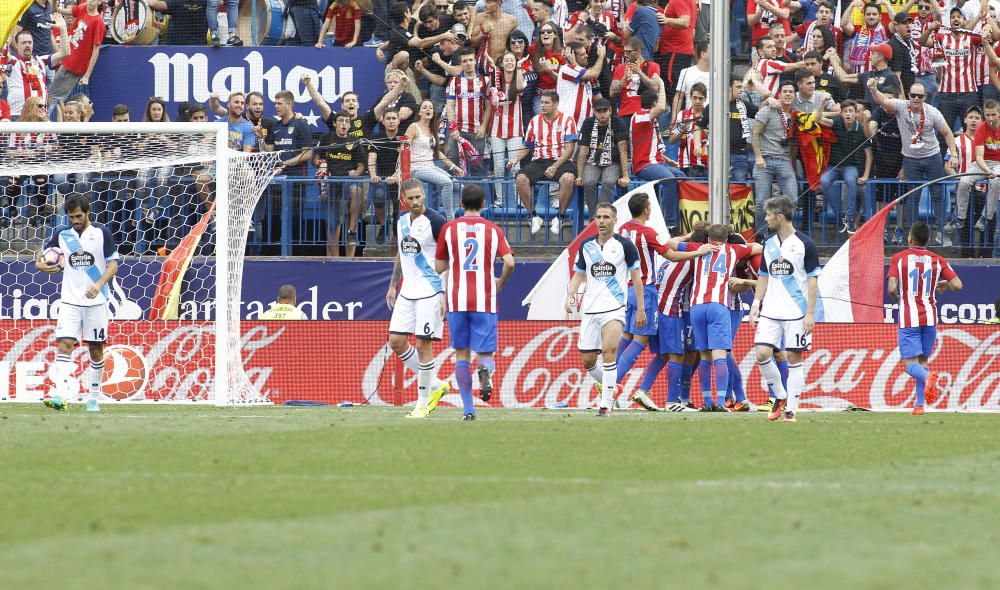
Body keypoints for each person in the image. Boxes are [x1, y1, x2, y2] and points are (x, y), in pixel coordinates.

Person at [613, 192, 716, 410]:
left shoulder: (622, 229)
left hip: (628, 289)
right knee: (657, 347)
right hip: (657, 300)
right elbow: (670, 252)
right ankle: (616, 386)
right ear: (646, 210)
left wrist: (688, 238)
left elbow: (670, 243)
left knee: (633, 339)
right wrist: (699, 251)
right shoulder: (689, 254)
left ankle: (621, 384)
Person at [435, 185, 516, 420]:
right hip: (485, 299)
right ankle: (484, 372)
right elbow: (510, 262)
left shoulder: (449, 229)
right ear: (483, 204)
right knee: (485, 353)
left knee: (461, 354)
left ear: (461, 204)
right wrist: (500, 281)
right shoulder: (493, 230)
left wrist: (453, 261)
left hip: (457, 300)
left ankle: (468, 410)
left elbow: (439, 266)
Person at [37, 194, 119, 413]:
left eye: (79, 216)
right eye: (71, 217)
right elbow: (44, 257)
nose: (75, 220)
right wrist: (42, 266)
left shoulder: (102, 233)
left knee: (95, 349)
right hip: (70, 301)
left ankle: (93, 397)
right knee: (65, 344)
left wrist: (99, 283)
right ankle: (61, 395)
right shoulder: (62, 235)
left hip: (97, 301)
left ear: (88, 212)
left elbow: (113, 264)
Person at [565, 201, 643, 417]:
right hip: (590, 309)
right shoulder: (586, 246)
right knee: (588, 361)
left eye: (606, 217)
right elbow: (579, 273)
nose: (601, 221)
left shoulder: (625, 246)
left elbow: (636, 279)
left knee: (609, 352)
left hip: (614, 307)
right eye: (598, 217)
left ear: (615, 220)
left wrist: (641, 308)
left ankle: (605, 404)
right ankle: (613, 387)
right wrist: (570, 294)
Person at [675, 223, 761, 411]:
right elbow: (758, 247)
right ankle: (722, 401)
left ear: (708, 239)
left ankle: (707, 402)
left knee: (704, 356)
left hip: (696, 306)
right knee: (720, 355)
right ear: (726, 238)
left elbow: (669, 245)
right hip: (719, 306)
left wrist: (688, 238)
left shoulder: (697, 248)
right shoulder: (734, 249)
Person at [749, 195, 819, 423]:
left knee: (793, 357)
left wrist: (810, 313)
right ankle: (780, 395)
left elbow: (812, 281)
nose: (766, 219)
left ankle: (791, 408)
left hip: (796, 312)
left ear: (780, 217)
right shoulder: (768, 245)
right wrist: (756, 303)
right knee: (762, 353)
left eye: (769, 215)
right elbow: (763, 276)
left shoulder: (805, 244)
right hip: (770, 311)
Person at [388, 179, 452, 418]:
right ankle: (436, 385)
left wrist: (444, 293)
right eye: (410, 198)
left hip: (430, 289)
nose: (415, 202)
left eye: (418, 197)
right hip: (407, 291)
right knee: (396, 340)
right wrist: (393, 284)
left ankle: (422, 404)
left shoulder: (436, 221)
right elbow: (401, 253)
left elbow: (447, 260)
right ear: (404, 199)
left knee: (423, 344)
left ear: (424, 195)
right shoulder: (402, 221)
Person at [887, 221, 963, 415]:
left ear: (909, 238)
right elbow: (958, 286)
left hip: (909, 318)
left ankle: (928, 378)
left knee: (909, 364)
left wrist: (897, 299)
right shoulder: (938, 260)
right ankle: (919, 405)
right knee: (922, 361)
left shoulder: (898, 258)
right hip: (929, 318)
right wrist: (945, 283)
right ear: (928, 239)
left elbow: (892, 288)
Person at [868, 79, 958, 243]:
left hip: (932, 157)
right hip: (910, 159)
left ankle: (941, 233)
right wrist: (874, 89)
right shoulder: (902, 106)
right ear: (908, 95)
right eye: (913, 95)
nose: (916, 99)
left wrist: (954, 154)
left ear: (925, 97)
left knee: (938, 194)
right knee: (912, 197)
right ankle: (914, 236)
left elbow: (947, 133)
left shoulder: (933, 112)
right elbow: (884, 101)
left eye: (920, 96)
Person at [513, 89, 579, 235]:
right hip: (539, 161)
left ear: (556, 104)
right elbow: (527, 145)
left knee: (568, 179)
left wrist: (555, 166)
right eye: (542, 102)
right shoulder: (534, 121)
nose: (543, 105)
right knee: (521, 179)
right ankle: (532, 216)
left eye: (547, 103)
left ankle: (560, 217)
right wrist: (515, 159)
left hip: (561, 160)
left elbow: (570, 149)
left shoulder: (568, 120)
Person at [316, 111, 367, 257]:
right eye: (341, 121)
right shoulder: (326, 138)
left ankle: (352, 231)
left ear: (350, 125)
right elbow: (315, 158)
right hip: (331, 185)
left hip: (348, 182)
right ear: (334, 123)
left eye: (346, 121)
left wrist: (356, 172)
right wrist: (322, 164)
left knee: (356, 190)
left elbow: (361, 166)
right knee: (333, 226)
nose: (344, 123)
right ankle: (336, 262)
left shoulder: (355, 141)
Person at [752, 80, 800, 231]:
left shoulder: (796, 113)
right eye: (785, 91)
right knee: (760, 202)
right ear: (779, 94)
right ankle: (761, 233)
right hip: (765, 160)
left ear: (795, 95)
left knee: (792, 199)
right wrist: (758, 156)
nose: (788, 94)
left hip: (784, 160)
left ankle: (786, 232)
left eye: (791, 92)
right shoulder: (768, 109)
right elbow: (755, 133)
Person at [820, 99, 873, 235]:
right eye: (845, 112)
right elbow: (817, 118)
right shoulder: (836, 123)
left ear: (856, 114)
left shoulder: (860, 128)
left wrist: (866, 175)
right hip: (833, 165)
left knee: (851, 181)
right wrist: (822, 105)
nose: (848, 114)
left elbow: (869, 154)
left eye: (851, 111)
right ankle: (840, 215)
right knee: (824, 181)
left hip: (851, 166)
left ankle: (850, 218)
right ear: (841, 114)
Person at [693, 72, 759, 182]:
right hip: (717, 157)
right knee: (715, 189)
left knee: (738, 190)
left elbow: (761, 112)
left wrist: (769, 100)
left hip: (739, 156)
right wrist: (696, 145)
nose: (741, 90)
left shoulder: (744, 105)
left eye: (741, 87)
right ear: (728, 87)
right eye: (738, 87)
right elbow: (698, 126)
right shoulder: (715, 105)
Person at [404, 100, 462, 219]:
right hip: (417, 168)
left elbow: (438, 153)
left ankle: (452, 214)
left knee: (458, 186)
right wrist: (399, 171)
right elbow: (403, 149)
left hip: (430, 167)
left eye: (430, 108)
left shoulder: (432, 129)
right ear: (419, 112)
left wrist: (453, 167)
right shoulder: (413, 127)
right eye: (424, 107)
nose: (428, 110)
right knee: (447, 183)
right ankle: (450, 220)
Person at [575, 97, 629, 216]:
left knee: (608, 182)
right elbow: (582, 151)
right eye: (599, 111)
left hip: (612, 163)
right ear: (594, 112)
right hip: (593, 162)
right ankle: (595, 218)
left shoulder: (618, 123)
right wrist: (579, 175)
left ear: (610, 110)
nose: (602, 114)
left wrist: (625, 176)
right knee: (588, 182)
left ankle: (596, 218)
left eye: (605, 111)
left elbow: (623, 151)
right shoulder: (588, 123)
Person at [6, 23, 69, 119]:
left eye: (29, 42)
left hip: (40, 116)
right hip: (18, 116)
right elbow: (3, 52)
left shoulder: (41, 61)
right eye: (23, 43)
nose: (27, 45)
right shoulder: (13, 62)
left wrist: (63, 29)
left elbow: (65, 53)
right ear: (17, 45)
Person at [47, 0, 104, 106]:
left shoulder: (98, 22)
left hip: (75, 67)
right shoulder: (83, 8)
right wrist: (54, 2)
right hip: (67, 60)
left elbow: (96, 51)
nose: (90, 1)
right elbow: (57, 10)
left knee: (54, 98)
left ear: (100, 2)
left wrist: (87, 76)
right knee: (54, 98)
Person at [956, 100, 1000, 236]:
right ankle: (960, 217)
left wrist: (995, 173)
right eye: (987, 115)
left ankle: (985, 217)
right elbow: (979, 157)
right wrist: (988, 171)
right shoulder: (981, 128)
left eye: (993, 115)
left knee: (996, 181)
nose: (990, 118)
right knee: (963, 181)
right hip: (982, 163)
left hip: (999, 163)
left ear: (999, 114)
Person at [446, 48, 490, 177]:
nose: (468, 63)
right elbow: (450, 105)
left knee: (477, 169)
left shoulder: (485, 81)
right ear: (461, 64)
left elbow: (489, 107)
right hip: (457, 132)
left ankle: (476, 197)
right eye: (465, 61)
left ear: (475, 61)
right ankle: (455, 197)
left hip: (477, 132)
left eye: (471, 60)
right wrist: (453, 128)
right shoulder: (455, 81)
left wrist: (483, 127)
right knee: (453, 167)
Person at [368, 107, 406, 243]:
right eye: (388, 119)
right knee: (378, 195)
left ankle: (396, 233)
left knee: (398, 212)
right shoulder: (376, 138)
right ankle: (383, 225)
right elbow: (371, 159)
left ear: (398, 121)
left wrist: (396, 175)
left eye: (394, 118)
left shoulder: (403, 137)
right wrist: (373, 175)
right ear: (383, 121)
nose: (391, 121)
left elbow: (404, 160)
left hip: (399, 179)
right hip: (382, 179)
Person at [610, 37, 662, 125]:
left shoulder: (653, 66)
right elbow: (612, 92)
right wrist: (624, 78)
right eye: (624, 52)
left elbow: (655, 88)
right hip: (625, 113)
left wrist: (640, 73)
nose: (625, 55)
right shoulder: (620, 68)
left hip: (646, 111)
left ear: (639, 51)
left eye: (628, 52)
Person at [557, 41, 606, 127]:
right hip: (569, 124)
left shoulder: (584, 73)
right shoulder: (567, 69)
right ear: (572, 56)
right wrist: (601, 56)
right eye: (582, 54)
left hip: (583, 125)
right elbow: (594, 73)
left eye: (586, 53)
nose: (586, 56)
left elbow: (598, 97)